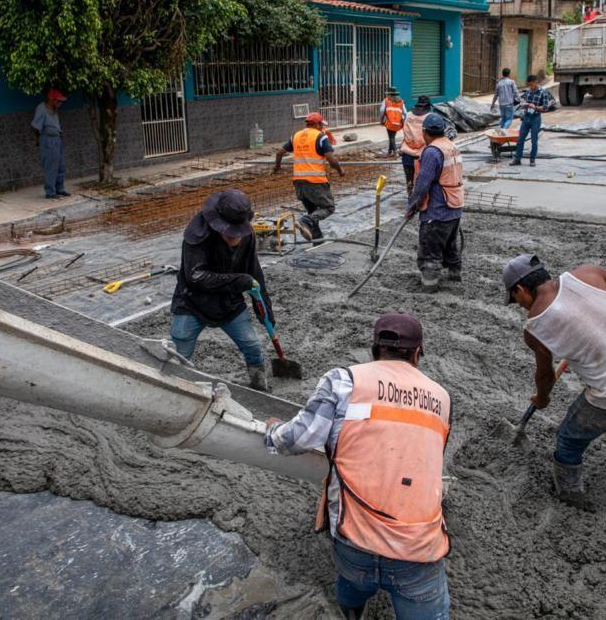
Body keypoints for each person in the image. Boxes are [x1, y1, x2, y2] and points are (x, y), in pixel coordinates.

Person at [265, 313, 452, 619]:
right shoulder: (442, 399)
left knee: (351, 589)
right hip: (417, 551)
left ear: (374, 349)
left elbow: (296, 439)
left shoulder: (343, 380)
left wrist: (272, 430)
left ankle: (353, 613)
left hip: (353, 540)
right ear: (417, 354)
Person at [503, 254, 606, 509]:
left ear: (521, 289)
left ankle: (570, 491)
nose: (521, 306)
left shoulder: (535, 327)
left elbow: (545, 376)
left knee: (569, 436)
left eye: (515, 300)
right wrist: (599, 310)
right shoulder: (587, 274)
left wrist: (542, 398)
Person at [169, 189, 273, 391]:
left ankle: (259, 384)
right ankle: (175, 387)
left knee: (252, 345)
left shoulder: (248, 236)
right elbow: (195, 277)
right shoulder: (196, 235)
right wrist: (239, 280)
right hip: (193, 301)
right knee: (180, 348)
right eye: (228, 231)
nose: (233, 236)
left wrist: (265, 308)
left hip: (229, 303)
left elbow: (255, 272)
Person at [407, 113, 464, 292]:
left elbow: (423, 183)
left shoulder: (432, 151)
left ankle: (429, 286)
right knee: (449, 245)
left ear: (425, 132)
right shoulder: (451, 146)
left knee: (430, 249)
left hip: (437, 210)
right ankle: (455, 275)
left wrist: (412, 205)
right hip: (454, 207)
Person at [274, 112, 344, 243]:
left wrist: (277, 168)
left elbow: (279, 153)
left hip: (299, 183)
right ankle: (305, 221)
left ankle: (317, 241)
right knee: (328, 208)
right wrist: (340, 171)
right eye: (321, 125)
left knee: (313, 211)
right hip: (315, 182)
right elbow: (331, 159)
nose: (322, 128)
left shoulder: (296, 136)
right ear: (317, 124)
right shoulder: (320, 136)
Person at [510, 73, 557, 167]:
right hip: (526, 117)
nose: (530, 87)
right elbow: (523, 100)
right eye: (529, 85)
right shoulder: (528, 91)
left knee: (534, 140)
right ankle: (517, 159)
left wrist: (535, 107)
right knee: (520, 139)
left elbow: (545, 107)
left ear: (536, 82)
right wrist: (524, 103)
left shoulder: (543, 92)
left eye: (531, 84)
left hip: (535, 118)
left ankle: (532, 160)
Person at [31, 89, 69, 199]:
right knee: (51, 166)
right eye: (58, 101)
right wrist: (38, 139)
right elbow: (35, 126)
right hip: (48, 140)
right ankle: (50, 192)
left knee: (61, 165)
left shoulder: (54, 109)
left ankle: (60, 189)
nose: (60, 103)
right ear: (51, 99)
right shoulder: (42, 109)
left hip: (57, 139)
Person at [399, 95, 432, 196]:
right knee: (422, 180)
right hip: (423, 154)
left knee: (409, 180)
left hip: (407, 151)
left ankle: (410, 198)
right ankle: (420, 200)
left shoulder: (408, 115)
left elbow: (404, 130)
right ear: (428, 106)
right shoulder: (429, 117)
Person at [379, 87, 406, 156]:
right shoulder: (401, 101)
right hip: (398, 123)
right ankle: (390, 151)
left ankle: (394, 152)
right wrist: (404, 120)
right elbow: (405, 113)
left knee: (391, 137)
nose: (386, 95)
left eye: (387, 94)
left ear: (389, 94)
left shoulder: (386, 100)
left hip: (389, 122)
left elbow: (382, 111)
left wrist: (381, 120)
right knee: (392, 136)